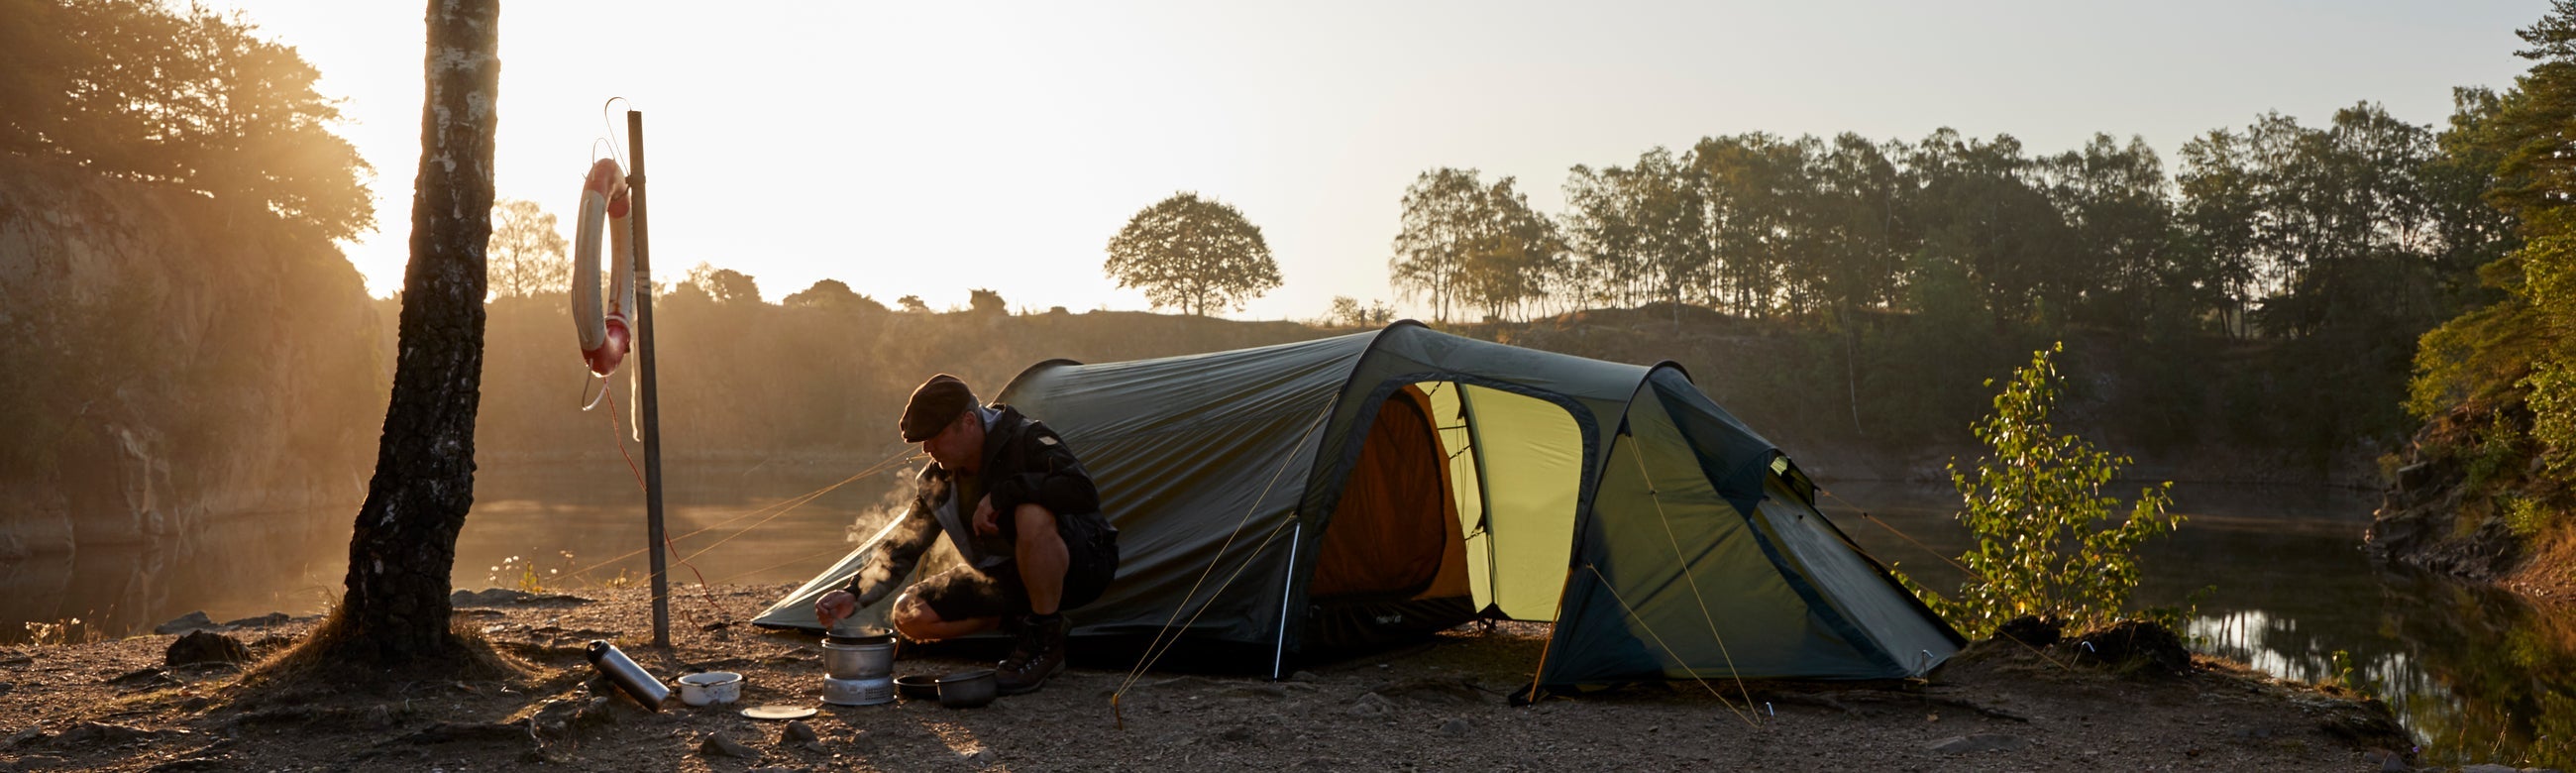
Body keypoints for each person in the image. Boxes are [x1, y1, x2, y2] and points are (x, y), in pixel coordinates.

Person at [813, 374, 1119, 695]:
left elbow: (1083, 491)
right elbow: (904, 544)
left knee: (1031, 512)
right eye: (923, 441)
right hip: (1004, 577)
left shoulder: (1026, 439)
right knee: (907, 614)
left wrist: (1004, 494)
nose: (927, 448)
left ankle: (1045, 641)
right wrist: (853, 594)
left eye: (934, 437)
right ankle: (1018, 623)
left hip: (1081, 565)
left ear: (969, 422)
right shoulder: (937, 480)